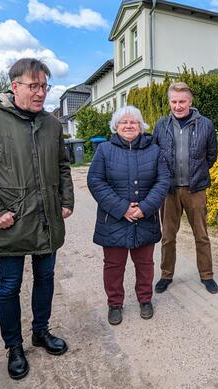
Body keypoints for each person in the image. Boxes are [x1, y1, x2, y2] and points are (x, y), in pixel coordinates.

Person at [0, 58, 74, 380]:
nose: (40, 93)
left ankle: (40, 331)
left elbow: (63, 165)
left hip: (47, 219)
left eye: (45, 87)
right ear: (15, 86)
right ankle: (14, 347)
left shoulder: (52, 124)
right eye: (33, 86)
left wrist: (66, 199)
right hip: (10, 222)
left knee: (46, 278)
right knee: (9, 286)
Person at [87, 106, 169, 325]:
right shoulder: (104, 150)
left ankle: (145, 299)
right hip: (113, 219)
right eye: (124, 122)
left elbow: (163, 182)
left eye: (134, 122)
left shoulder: (155, 150)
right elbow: (95, 181)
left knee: (145, 264)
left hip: (145, 218)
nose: (129, 125)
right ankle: (114, 303)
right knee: (113, 265)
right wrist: (123, 208)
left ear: (141, 126)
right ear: (116, 126)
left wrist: (144, 208)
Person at [152, 82, 218, 294]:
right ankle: (166, 275)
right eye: (174, 101)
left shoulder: (205, 125)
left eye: (182, 101)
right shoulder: (161, 125)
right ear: (169, 102)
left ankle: (207, 275)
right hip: (169, 191)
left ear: (190, 101)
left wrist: (197, 174)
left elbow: (212, 155)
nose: (178, 106)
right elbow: (155, 155)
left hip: (195, 189)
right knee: (168, 236)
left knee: (201, 235)